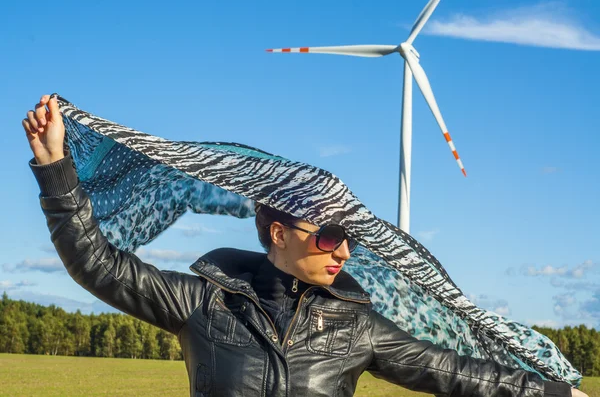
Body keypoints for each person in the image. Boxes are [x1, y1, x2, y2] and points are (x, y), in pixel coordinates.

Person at [22, 94, 586, 397]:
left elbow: (458, 373)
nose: (344, 251)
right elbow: (97, 265)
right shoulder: (205, 302)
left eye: (350, 238)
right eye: (330, 235)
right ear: (278, 233)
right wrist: (55, 168)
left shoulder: (356, 325)